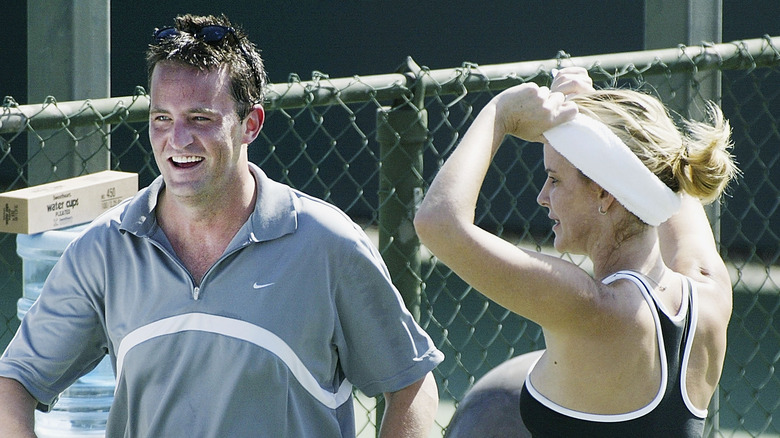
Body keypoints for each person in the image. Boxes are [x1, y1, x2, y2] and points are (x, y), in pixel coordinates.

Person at [0, 13, 443, 437]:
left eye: (200, 119)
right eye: (162, 118)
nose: (177, 140)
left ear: (250, 123)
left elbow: (411, 385)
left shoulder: (328, 244)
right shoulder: (103, 248)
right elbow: (12, 383)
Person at [414, 67, 738, 437]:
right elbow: (660, 180)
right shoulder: (710, 288)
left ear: (604, 193)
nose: (542, 197)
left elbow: (438, 222)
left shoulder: (590, 307)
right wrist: (592, 111)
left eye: (555, 180)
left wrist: (501, 112)